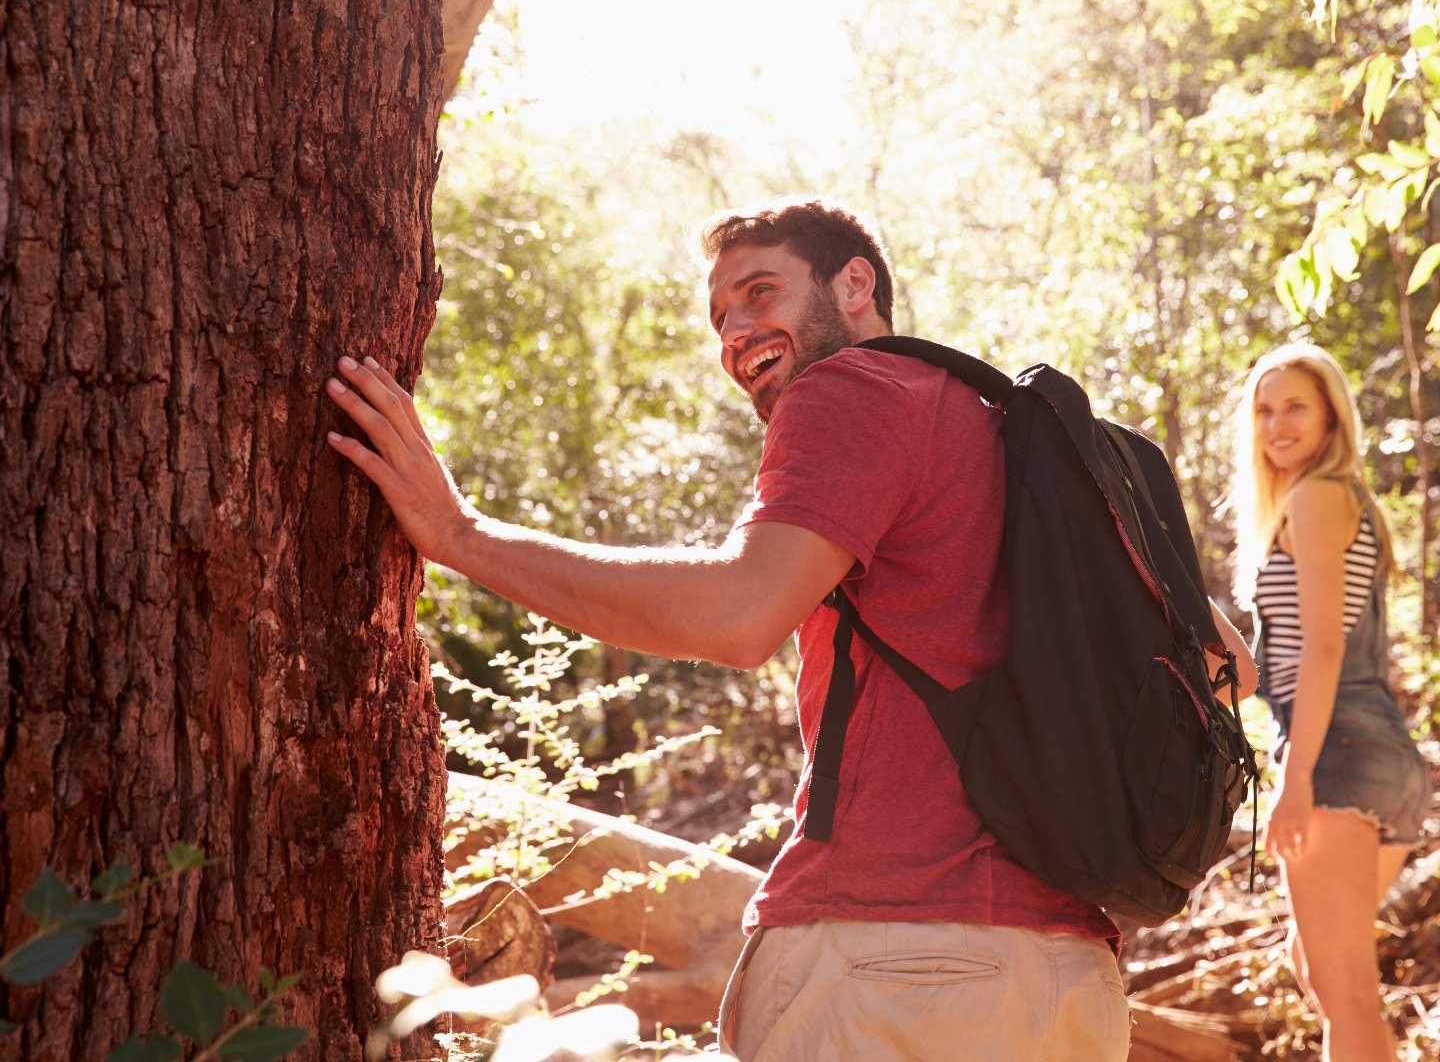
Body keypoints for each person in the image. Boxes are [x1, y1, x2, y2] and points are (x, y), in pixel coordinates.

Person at [325, 198, 1253, 1060]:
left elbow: (740, 613)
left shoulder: (855, 389)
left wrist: (459, 534)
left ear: (855, 286)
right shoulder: (1025, 446)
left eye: (759, 292)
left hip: (887, 966)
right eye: (719, 316)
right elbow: (1230, 665)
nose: (733, 332)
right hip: (1069, 985)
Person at [1231, 343, 1430, 1062]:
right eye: (1264, 409)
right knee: (1324, 971)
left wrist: (1297, 777)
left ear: (1330, 419)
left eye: (1295, 408)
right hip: (1382, 757)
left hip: (1337, 752)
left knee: (1343, 991)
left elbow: (1322, 649)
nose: (1277, 424)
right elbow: (1272, 665)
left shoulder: (1316, 497)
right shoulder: (1340, 502)